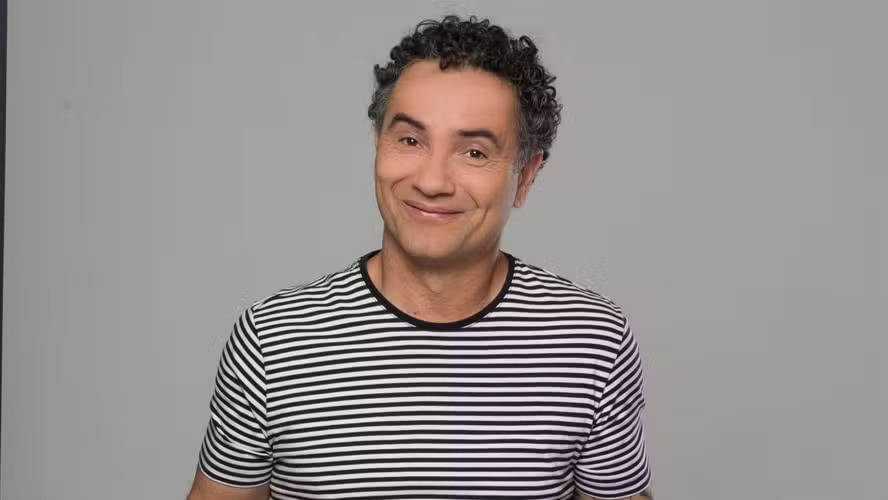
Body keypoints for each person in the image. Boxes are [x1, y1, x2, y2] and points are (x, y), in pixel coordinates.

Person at [187, 15, 653, 500]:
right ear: (378, 145)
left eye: (474, 152)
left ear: (526, 176)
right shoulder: (271, 342)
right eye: (410, 141)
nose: (431, 181)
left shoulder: (592, 344)